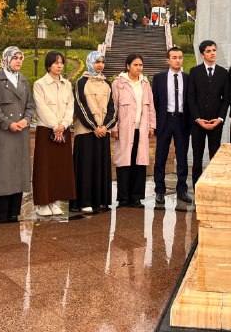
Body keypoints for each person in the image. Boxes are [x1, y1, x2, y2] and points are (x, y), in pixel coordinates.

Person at [0, 46, 36, 224]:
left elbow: (30, 105)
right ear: (6, 59)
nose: (19, 61)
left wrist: (26, 120)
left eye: (21, 58)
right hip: (2, 133)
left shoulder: (23, 80)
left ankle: (14, 212)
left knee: (18, 171)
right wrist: (8, 123)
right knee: (1, 171)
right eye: (15, 58)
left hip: (21, 132)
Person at [33, 51, 76, 216]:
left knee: (61, 167)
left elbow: (70, 106)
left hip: (63, 130)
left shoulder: (67, 84)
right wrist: (55, 125)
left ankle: (56, 201)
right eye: (55, 62)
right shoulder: (40, 84)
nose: (59, 65)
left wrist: (64, 124)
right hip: (46, 130)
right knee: (45, 167)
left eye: (61, 62)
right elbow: (41, 107)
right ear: (48, 65)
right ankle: (42, 203)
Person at [73, 51, 117, 212]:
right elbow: (80, 106)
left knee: (100, 165)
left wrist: (105, 126)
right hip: (85, 131)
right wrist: (94, 126)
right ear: (90, 63)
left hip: (102, 131)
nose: (99, 65)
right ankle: (84, 201)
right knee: (86, 167)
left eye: (102, 62)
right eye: (96, 62)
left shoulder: (107, 83)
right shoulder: (81, 82)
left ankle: (99, 200)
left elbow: (112, 108)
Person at [112, 53, 156, 207]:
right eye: (136, 65)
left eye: (141, 65)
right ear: (128, 66)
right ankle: (123, 198)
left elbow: (151, 106)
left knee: (139, 163)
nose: (139, 68)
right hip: (124, 129)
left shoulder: (145, 83)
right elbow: (114, 107)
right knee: (124, 162)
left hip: (141, 128)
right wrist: (114, 126)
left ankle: (136, 197)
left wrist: (152, 125)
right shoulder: (118, 83)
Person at [152, 47, 191, 205]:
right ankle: (159, 190)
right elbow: (154, 102)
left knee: (182, 157)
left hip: (182, 121)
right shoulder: (159, 78)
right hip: (165, 120)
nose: (178, 60)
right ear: (167, 60)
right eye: (174, 57)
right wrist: (154, 123)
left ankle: (182, 189)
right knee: (160, 157)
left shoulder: (188, 78)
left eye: (180, 57)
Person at [188, 40, 229, 184]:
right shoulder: (194, 72)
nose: (212, 53)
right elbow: (190, 98)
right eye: (208, 51)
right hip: (198, 123)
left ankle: (213, 185)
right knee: (197, 156)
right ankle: (197, 186)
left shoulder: (223, 73)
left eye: (214, 50)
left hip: (215, 122)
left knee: (215, 155)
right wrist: (197, 119)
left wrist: (220, 119)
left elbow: (226, 99)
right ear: (202, 54)